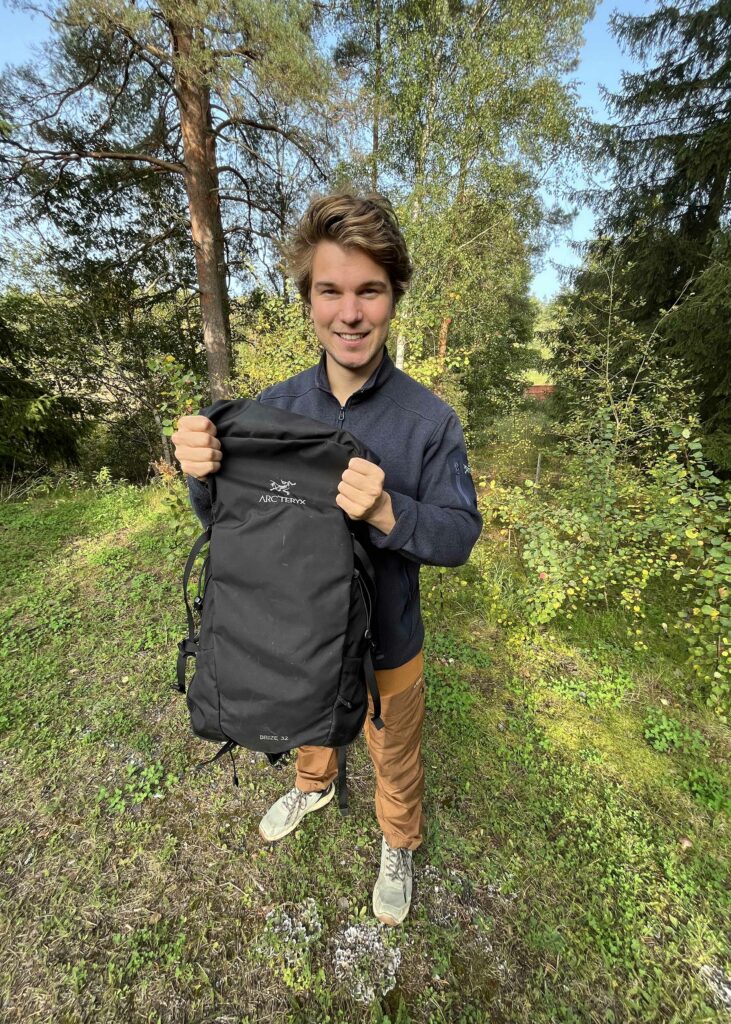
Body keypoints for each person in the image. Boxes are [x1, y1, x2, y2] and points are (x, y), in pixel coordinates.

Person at [171, 191, 482, 926]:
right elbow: (226, 519)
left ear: (392, 298)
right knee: (307, 719)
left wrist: (387, 512)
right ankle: (313, 784)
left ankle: (396, 840)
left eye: (368, 291)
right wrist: (200, 474)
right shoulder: (269, 410)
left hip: (389, 644)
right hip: (297, 627)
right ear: (308, 299)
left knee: (393, 752)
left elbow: (459, 535)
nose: (349, 312)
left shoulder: (429, 421)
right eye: (330, 290)